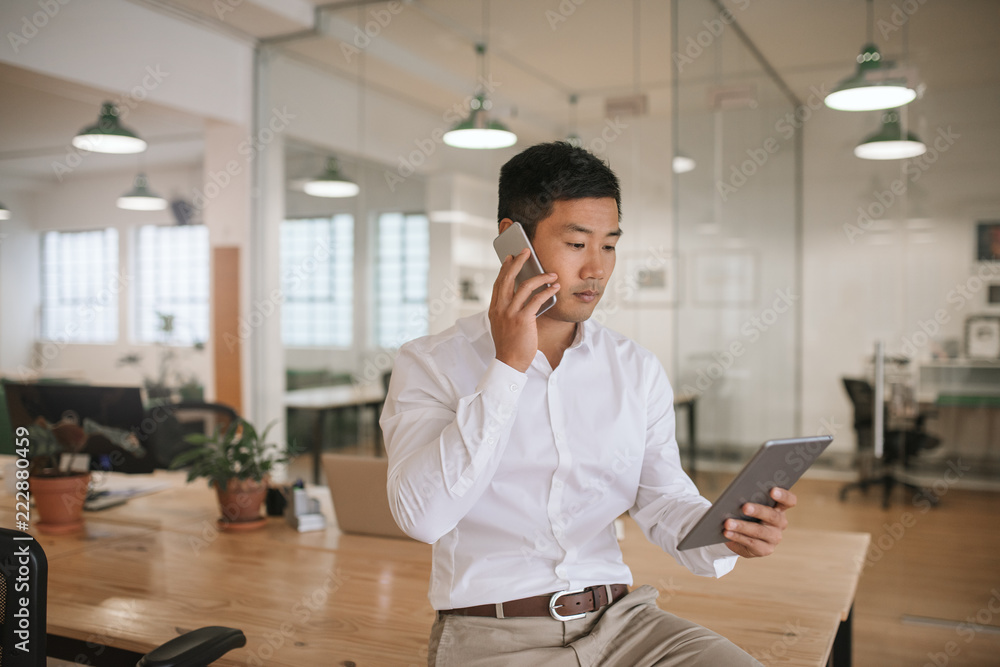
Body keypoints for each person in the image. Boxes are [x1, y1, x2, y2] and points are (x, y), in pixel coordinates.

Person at [380, 142, 795, 666]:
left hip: (624, 625)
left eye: (610, 246)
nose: (597, 269)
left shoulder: (635, 367)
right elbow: (421, 517)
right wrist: (507, 367)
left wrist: (727, 534)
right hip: (494, 635)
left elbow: (664, 500)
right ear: (513, 241)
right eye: (577, 243)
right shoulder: (430, 363)